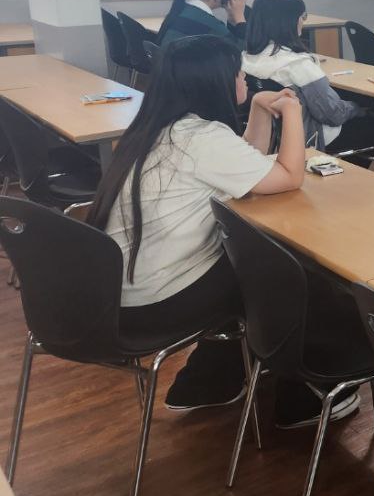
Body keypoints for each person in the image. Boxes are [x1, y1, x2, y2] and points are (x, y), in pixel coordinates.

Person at [85, 35, 358, 427]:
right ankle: (305, 395)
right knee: (285, 272)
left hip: (123, 292)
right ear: (213, 82)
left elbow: (243, 168)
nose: (245, 79)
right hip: (156, 304)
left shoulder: (162, 129)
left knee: (248, 256)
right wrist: (292, 112)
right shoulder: (200, 139)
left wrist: (260, 114)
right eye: (238, 73)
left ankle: (212, 379)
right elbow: (287, 176)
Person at [241, 0, 374, 157]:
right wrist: (358, 107)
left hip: (271, 139)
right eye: (303, 16)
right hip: (311, 139)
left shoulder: (247, 58)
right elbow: (333, 114)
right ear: (289, 21)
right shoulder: (297, 65)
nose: (303, 21)